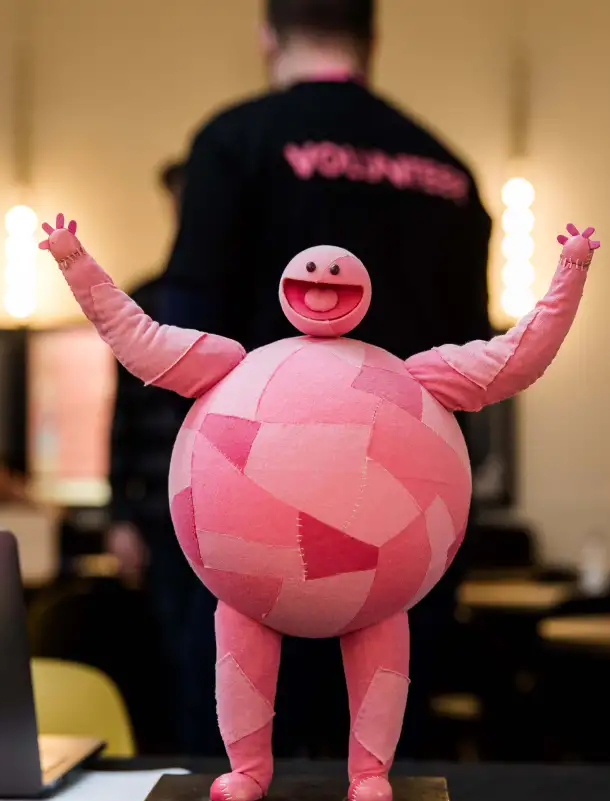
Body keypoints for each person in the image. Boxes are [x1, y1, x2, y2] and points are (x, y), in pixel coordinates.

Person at [160, 0, 493, 757]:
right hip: (410, 509)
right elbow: (472, 360)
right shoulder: (446, 170)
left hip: (254, 500)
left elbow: (186, 339)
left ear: (267, 39)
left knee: (239, 752)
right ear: (373, 41)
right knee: (384, 748)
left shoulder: (235, 141)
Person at [106, 160, 223, 755]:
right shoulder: (145, 302)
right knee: (180, 659)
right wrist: (119, 516)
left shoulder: (243, 298)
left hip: (232, 510)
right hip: (161, 515)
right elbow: (122, 419)